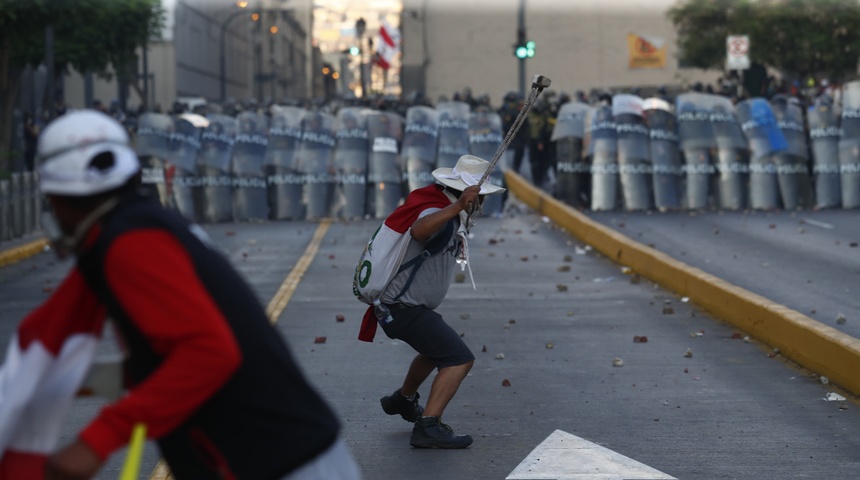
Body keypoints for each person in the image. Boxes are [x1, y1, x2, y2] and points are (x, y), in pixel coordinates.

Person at [0, 110, 360, 480]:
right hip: (275, 451)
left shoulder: (130, 244)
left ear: (60, 197)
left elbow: (210, 352)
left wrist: (96, 441)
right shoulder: (137, 225)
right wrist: (77, 379)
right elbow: (161, 347)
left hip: (278, 460)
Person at [358, 154, 504, 449]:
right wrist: (456, 206)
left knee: (435, 351)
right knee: (458, 358)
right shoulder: (438, 209)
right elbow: (420, 230)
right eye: (480, 197)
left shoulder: (443, 207)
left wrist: (458, 208)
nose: (481, 203)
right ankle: (428, 426)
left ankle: (403, 399)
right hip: (401, 308)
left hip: (404, 307)